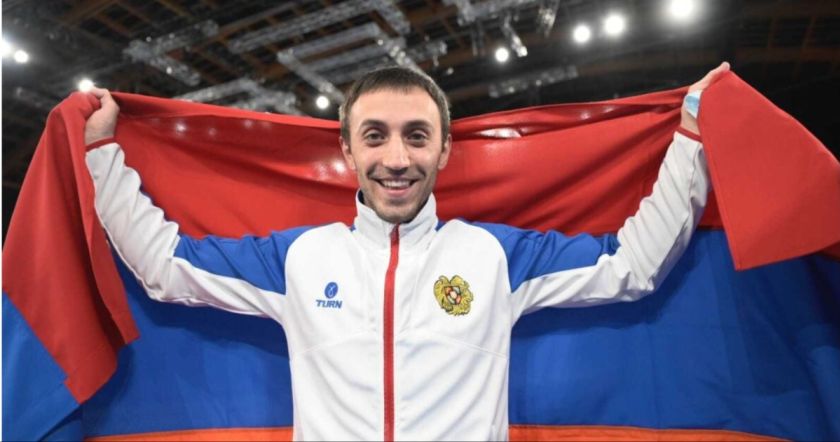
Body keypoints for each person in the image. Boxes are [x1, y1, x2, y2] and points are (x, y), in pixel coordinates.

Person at [83, 62, 729, 441]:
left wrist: (692, 134)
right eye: (376, 137)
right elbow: (166, 270)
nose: (397, 159)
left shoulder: (497, 256)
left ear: (444, 149)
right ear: (348, 150)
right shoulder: (296, 260)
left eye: (417, 136)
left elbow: (632, 266)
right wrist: (100, 153)